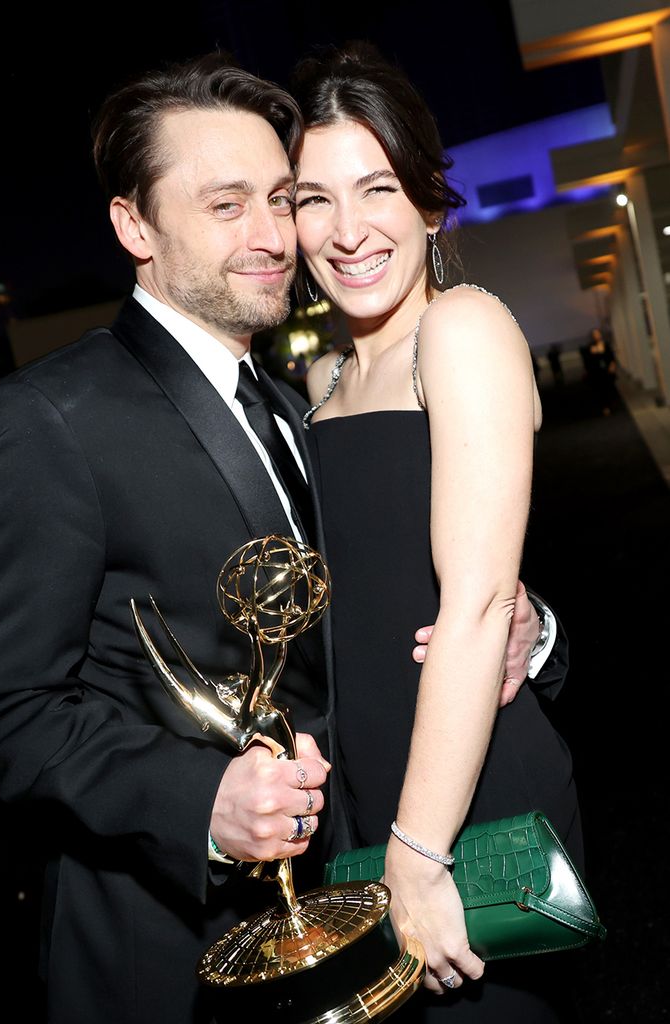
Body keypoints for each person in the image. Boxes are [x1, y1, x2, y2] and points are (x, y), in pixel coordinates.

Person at [0, 52, 563, 1024]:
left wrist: (532, 626)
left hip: (356, 895)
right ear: (132, 225)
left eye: (281, 199)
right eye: (227, 205)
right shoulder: (50, 417)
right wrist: (199, 805)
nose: (275, 235)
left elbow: (395, 590)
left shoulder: (294, 401)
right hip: (168, 950)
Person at [291, 42, 583, 1021]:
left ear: (425, 198)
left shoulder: (460, 328)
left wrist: (418, 853)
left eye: (373, 188)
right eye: (311, 198)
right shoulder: (316, 382)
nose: (346, 229)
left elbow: (476, 603)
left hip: (463, 812)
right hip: (362, 808)